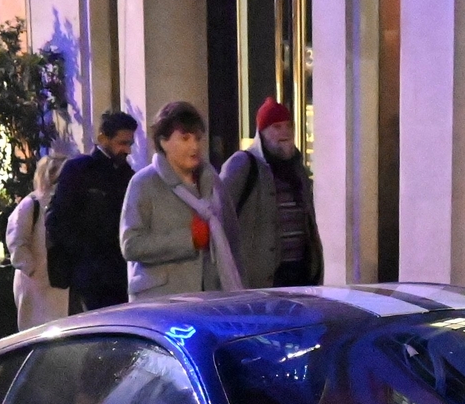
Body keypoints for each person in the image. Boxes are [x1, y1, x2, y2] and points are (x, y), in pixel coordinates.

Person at [120, 100, 242, 297]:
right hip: (162, 301)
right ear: (163, 141)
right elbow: (131, 245)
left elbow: (232, 237)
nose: (194, 146)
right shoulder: (144, 183)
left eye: (198, 138)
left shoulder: (212, 182)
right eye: (185, 138)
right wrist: (189, 239)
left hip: (211, 298)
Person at [219, 99, 323, 289]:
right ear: (262, 134)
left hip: (300, 274)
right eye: (276, 127)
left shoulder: (297, 169)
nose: (285, 132)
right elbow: (220, 214)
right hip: (262, 279)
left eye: (288, 126)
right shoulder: (242, 164)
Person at [47, 110, 139, 313]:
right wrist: (82, 257)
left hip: (120, 274)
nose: (127, 150)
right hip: (90, 276)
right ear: (102, 139)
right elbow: (58, 220)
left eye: (129, 144)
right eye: (122, 143)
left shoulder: (128, 176)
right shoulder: (79, 170)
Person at [5, 153, 66, 330]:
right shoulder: (30, 204)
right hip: (34, 285)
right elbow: (16, 241)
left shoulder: (63, 204)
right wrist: (31, 269)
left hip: (58, 283)